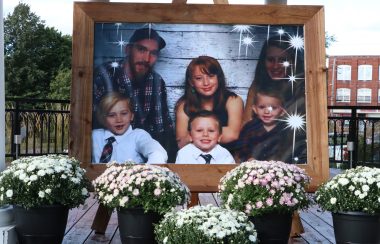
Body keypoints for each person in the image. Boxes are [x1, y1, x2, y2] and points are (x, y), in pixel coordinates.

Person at [93, 27, 177, 162]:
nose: (147, 58)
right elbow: (90, 122)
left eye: (153, 53)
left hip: (139, 158)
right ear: (128, 49)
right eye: (142, 49)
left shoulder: (156, 81)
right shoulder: (104, 75)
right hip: (104, 150)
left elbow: (162, 130)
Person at [175, 56, 243, 149]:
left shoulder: (233, 100)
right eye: (199, 78)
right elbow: (181, 142)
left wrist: (196, 134)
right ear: (191, 82)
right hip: (194, 158)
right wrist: (215, 133)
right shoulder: (184, 105)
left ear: (218, 78)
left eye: (211, 76)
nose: (206, 83)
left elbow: (233, 134)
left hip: (228, 157)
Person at [242, 34, 305, 124]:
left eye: (283, 60)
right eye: (271, 60)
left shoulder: (302, 87)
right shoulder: (258, 84)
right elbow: (246, 123)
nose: (275, 66)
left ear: (293, 62)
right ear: (264, 61)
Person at [92, 92, 167, 164]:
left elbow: (158, 153)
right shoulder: (95, 136)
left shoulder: (138, 136)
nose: (119, 120)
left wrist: (148, 173)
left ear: (131, 116)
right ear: (103, 118)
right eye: (111, 115)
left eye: (124, 113)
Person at [234, 83, 301, 163]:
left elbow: (291, 149)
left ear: (282, 111)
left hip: (280, 167)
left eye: (273, 108)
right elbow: (241, 148)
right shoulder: (250, 127)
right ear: (255, 109)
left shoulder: (286, 129)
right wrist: (249, 158)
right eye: (262, 107)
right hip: (253, 167)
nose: (266, 111)